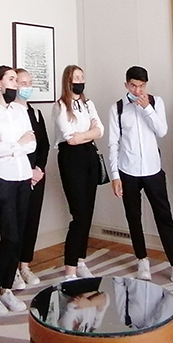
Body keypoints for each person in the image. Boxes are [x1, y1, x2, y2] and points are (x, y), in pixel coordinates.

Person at [106, 66, 173, 288]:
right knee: (133, 217)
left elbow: (162, 131)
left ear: (146, 85)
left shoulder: (156, 102)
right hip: (127, 171)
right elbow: (113, 143)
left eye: (141, 86)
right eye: (133, 85)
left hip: (153, 170)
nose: (137, 90)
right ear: (126, 85)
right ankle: (142, 261)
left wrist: (147, 108)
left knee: (164, 216)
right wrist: (115, 175)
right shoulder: (117, 108)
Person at [0, 66, 38, 316]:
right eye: (11, 79)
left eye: (16, 80)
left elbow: (32, 143)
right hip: (2, 179)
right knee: (9, 237)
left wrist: (12, 146)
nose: (16, 84)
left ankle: (6, 289)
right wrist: (18, 144)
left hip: (23, 177)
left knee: (20, 236)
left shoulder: (20, 111)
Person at [52, 64, 104, 280]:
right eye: (76, 77)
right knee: (79, 214)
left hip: (89, 155)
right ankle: (70, 269)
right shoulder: (60, 106)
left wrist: (83, 135)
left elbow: (100, 130)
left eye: (82, 77)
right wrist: (89, 133)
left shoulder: (88, 104)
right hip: (71, 158)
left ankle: (81, 260)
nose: (80, 81)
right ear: (68, 81)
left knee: (88, 212)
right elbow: (68, 137)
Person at [14, 68, 50, 290]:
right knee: (15, 223)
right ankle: (12, 269)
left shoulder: (35, 113)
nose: (26, 87)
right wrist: (27, 172)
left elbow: (44, 145)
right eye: (22, 83)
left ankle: (25, 265)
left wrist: (39, 169)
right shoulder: (8, 113)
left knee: (32, 220)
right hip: (17, 175)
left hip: (37, 176)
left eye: (29, 83)